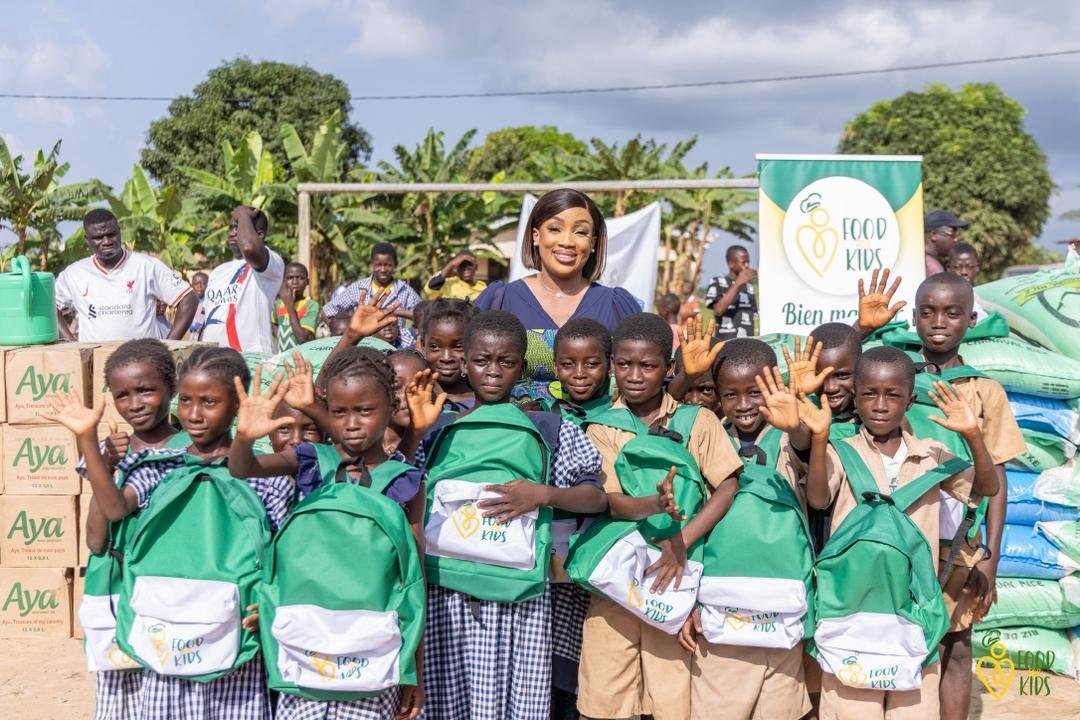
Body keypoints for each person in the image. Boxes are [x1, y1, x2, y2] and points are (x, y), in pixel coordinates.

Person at [45, 346, 294, 720]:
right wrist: (87, 439)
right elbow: (112, 512)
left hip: (237, 627)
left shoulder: (266, 477)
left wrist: (271, 599)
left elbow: (280, 553)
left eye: (209, 402)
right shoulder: (158, 467)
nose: (194, 414)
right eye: (188, 401)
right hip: (168, 627)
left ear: (238, 404)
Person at [405, 310, 606, 720]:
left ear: (523, 367)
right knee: (448, 698)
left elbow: (595, 497)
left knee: (517, 703)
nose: (493, 372)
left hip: (521, 598)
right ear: (464, 362)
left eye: (506, 361)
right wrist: (414, 434)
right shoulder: (439, 426)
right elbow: (402, 490)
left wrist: (542, 494)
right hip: (446, 593)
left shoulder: (552, 429)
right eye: (481, 360)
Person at [228, 347, 426, 720]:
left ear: (390, 406)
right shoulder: (310, 459)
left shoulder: (406, 480)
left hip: (370, 643)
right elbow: (243, 469)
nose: (352, 423)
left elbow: (414, 581)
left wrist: (413, 670)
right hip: (306, 635)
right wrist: (243, 438)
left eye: (365, 411)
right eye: (339, 412)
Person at [804, 346, 999, 720]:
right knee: (851, 709)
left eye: (892, 395)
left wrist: (973, 435)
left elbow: (987, 488)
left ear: (910, 400)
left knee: (914, 710)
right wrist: (818, 440)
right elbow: (817, 496)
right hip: (851, 610)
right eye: (869, 394)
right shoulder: (840, 451)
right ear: (855, 397)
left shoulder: (932, 454)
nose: (880, 405)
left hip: (914, 613)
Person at [577, 312, 743, 720]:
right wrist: (655, 504)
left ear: (670, 368)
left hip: (676, 580)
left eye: (649, 366)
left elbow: (728, 485)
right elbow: (609, 501)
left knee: (672, 703)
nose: (635, 375)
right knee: (601, 700)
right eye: (625, 364)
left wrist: (681, 541)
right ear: (613, 364)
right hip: (615, 583)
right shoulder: (600, 426)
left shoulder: (696, 420)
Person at [678, 339, 820, 720]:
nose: (742, 405)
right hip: (719, 603)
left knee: (781, 706)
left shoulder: (791, 434)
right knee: (716, 703)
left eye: (754, 393)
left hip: (784, 602)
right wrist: (688, 599)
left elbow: (817, 485)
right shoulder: (709, 436)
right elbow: (693, 516)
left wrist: (803, 432)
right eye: (730, 395)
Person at [75, 339, 182, 720]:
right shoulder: (107, 451)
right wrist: (105, 465)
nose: (134, 404)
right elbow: (95, 539)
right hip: (116, 591)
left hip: (172, 592)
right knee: (121, 696)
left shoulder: (194, 450)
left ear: (172, 386)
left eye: (146, 390)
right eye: (122, 395)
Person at [474, 188, 639, 399]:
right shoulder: (499, 300)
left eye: (580, 232)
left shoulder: (617, 305)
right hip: (517, 429)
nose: (567, 241)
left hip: (597, 430)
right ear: (536, 235)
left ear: (593, 243)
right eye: (555, 229)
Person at [55, 208, 197, 341]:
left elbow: (188, 298)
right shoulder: (74, 274)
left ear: (119, 232)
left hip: (143, 362)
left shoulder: (146, 266)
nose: (106, 242)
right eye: (98, 237)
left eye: (111, 234)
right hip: (95, 361)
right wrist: (70, 344)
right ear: (87, 240)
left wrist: (169, 345)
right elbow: (50, 306)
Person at [200, 206, 285, 353]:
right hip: (215, 360)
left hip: (251, 359)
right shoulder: (217, 272)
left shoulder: (272, 263)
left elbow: (249, 247)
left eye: (239, 228)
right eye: (231, 228)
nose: (233, 233)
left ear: (259, 234)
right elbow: (208, 319)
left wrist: (244, 214)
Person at [321, 243, 422, 348]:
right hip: (363, 347)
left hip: (396, 348)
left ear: (395, 265)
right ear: (372, 264)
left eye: (388, 265)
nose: (383, 270)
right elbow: (326, 311)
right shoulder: (358, 288)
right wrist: (345, 336)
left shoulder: (405, 290)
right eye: (378, 265)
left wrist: (395, 311)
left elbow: (424, 315)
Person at [705, 245, 757, 341]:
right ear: (731, 264)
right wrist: (738, 284)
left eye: (748, 261)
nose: (747, 265)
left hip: (748, 345)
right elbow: (718, 310)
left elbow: (754, 313)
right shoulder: (717, 282)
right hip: (726, 344)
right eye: (743, 262)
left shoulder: (749, 286)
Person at [273, 262, 320, 351]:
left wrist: (290, 306)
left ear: (307, 282)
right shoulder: (278, 304)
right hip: (282, 357)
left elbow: (302, 339)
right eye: (290, 278)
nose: (295, 282)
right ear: (283, 281)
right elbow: (273, 322)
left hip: (304, 358)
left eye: (300, 278)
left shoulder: (311, 305)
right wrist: (279, 336)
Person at [923, 209, 969, 276]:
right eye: (952, 235)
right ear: (933, 235)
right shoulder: (933, 270)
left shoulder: (918, 261)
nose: (956, 239)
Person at [188, 272, 209, 337]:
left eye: (203, 283)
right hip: (193, 337)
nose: (199, 287)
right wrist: (189, 326)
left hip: (207, 337)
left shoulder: (210, 302)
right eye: (196, 284)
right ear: (191, 285)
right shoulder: (188, 302)